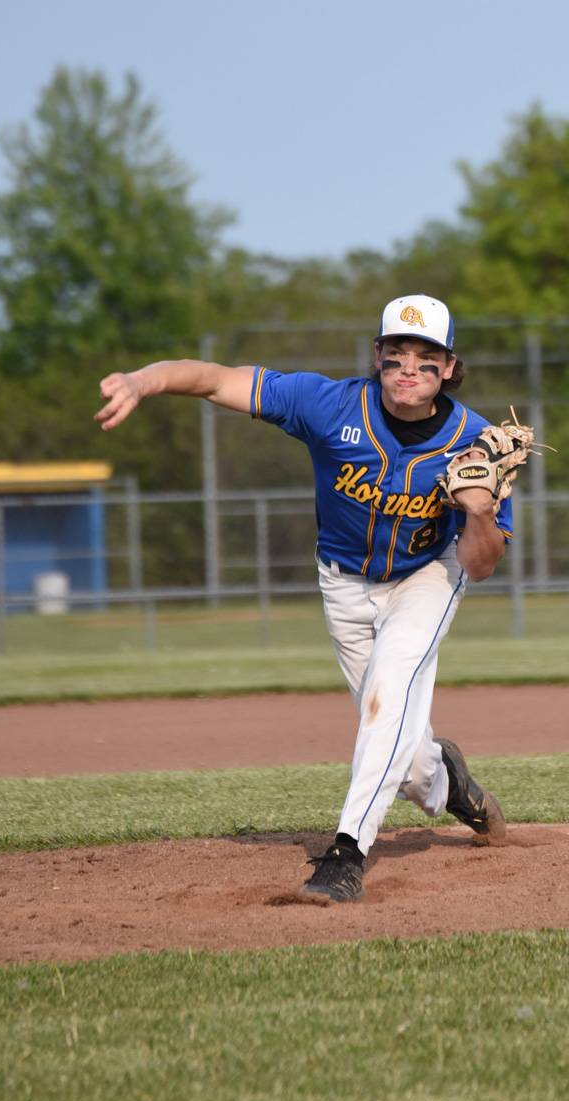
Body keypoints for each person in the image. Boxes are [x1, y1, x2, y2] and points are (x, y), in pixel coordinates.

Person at [95, 294, 508, 904]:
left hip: (428, 576)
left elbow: (483, 563)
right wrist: (142, 380)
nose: (409, 368)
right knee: (409, 761)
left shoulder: (477, 443)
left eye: (427, 357)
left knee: (388, 697)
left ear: (449, 367)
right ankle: (449, 779)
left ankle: (348, 854)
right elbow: (213, 380)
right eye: (397, 354)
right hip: (342, 584)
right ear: (377, 357)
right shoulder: (328, 404)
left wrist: (479, 513)